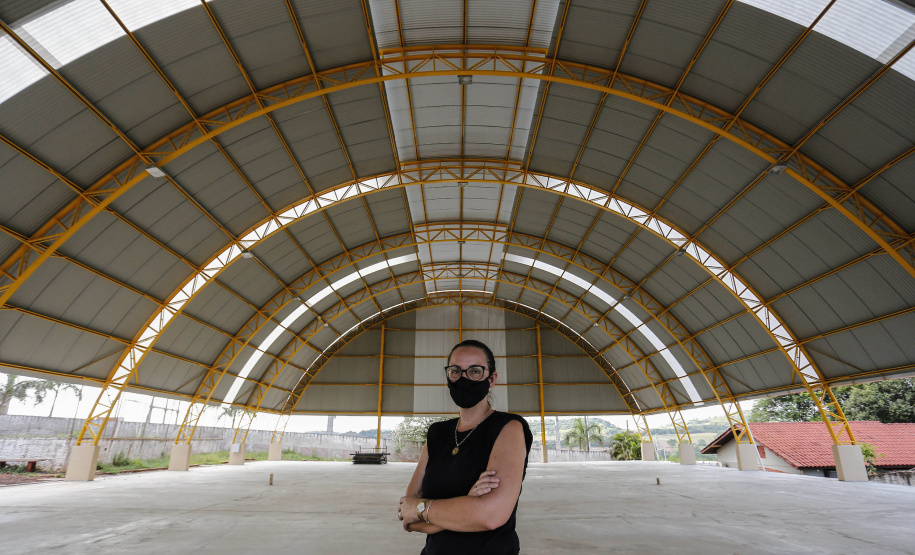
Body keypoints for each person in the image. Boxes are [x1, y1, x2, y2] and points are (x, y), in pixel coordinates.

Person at [397, 339, 533, 554]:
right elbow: (406, 515)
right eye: (455, 371)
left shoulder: (509, 427)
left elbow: (490, 516)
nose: (464, 378)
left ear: (491, 378)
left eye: (475, 371)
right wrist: (468, 504)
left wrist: (421, 509)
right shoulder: (437, 433)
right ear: (448, 376)